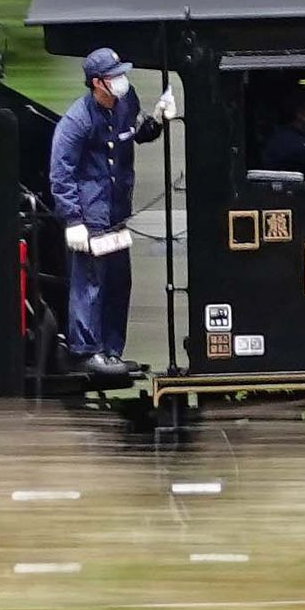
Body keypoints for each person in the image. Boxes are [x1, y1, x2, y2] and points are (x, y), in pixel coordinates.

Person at [49, 47, 175, 379]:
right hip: (91, 215)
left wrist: (158, 120)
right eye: (114, 76)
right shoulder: (77, 120)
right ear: (97, 83)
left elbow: (137, 133)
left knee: (119, 282)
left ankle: (111, 351)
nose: (122, 81)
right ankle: (85, 351)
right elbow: (61, 173)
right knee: (90, 283)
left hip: (118, 211)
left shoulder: (126, 102)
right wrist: (73, 219)